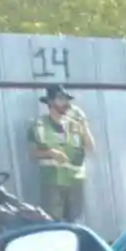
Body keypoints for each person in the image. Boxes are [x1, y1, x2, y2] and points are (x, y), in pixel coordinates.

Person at [31, 85, 96, 222]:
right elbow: (32, 153)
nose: (65, 103)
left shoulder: (76, 124)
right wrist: (51, 153)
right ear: (50, 102)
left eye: (67, 99)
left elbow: (91, 147)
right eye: (60, 99)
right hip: (53, 182)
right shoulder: (40, 125)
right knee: (53, 223)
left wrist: (84, 126)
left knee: (75, 222)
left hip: (75, 181)